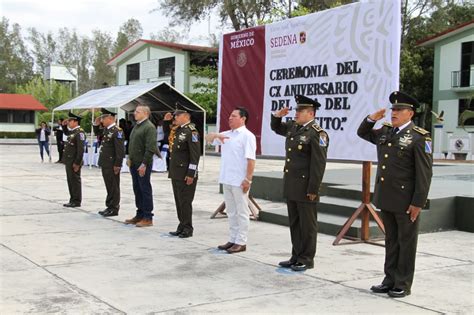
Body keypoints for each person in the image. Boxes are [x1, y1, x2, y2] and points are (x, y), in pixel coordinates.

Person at [358, 91, 433, 298]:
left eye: (399, 110)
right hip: (386, 197)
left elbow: (424, 173)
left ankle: (403, 283)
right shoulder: (386, 131)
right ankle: (389, 279)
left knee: (406, 243)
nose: (394, 113)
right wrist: (372, 118)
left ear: (410, 113)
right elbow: (362, 133)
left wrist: (418, 202)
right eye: (393, 109)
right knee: (391, 241)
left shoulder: (419, 137)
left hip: (406, 200)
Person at [270, 95, 328, 272]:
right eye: (296, 110)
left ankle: (307, 258)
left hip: (306, 187)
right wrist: (277, 116)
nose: (296, 113)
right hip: (292, 184)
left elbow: (318, 164)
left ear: (311, 113)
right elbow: (276, 127)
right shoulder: (293, 127)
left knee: (307, 225)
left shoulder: (318, 134)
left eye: (300, 111)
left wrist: (314, 188)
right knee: (295, 223)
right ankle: (296, 255)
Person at [206, 107, 256, 254]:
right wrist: (215, 134)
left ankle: (241, 241)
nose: (230, 118)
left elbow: (251, 160)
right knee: (231, 212)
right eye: (229, 116)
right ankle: (233, 239)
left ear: (243, 118)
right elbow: (207, 139)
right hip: (227, 178)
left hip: (240, 180)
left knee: (242, 212)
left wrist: (248, 179)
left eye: (234, 116)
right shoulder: (227, 135)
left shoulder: (247, 136)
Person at [164, 109, 201, 238]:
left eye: (177, 116)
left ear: (186, 116)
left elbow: (195, 155)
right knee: (179, 201)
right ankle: (182, 224)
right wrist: (166, 122)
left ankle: (188, 228)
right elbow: (166, 136)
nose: (175, 118)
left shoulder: (192, 132)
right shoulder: (178, 130)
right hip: (176, 172)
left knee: (185, 202)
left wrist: (191, 173)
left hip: (186, 173)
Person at [124, 105, 157, 227]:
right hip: (134, 163)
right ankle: (140, 214)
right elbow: (132, 143)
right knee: (137, 189)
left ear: (145, 113)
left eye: (137, 112)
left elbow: (150, 148)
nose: (134, 113)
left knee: (145, 189)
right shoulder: (137, 126)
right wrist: (129, 157)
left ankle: (148, 217)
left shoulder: (149, 127)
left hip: (143, 164)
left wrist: (144, 164)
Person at [93, 109, 125, 217]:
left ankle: (114, 207)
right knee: (109, 185)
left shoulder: (117, 131)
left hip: (112, 163)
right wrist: (95, 124)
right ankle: (109, 206)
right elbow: (97, 133)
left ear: (110, 118)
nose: (102, 120)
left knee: (113, 185)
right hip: (106, 162)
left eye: (103, 118)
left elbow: (120, 150)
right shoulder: (107, 130)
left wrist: (118, 164)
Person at [62, 112, 86, 208]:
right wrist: (63, 126)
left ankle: (76, 200)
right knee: (70, 180)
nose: (68, 122)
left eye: (70, 121)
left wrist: (77, 163)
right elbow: (66, 133)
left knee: (75, 180)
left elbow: (80, 150)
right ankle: (72, 199)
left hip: (74, 161)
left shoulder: (79, 132)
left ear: (75, 121)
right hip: (69, 161)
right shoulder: (73, 132)